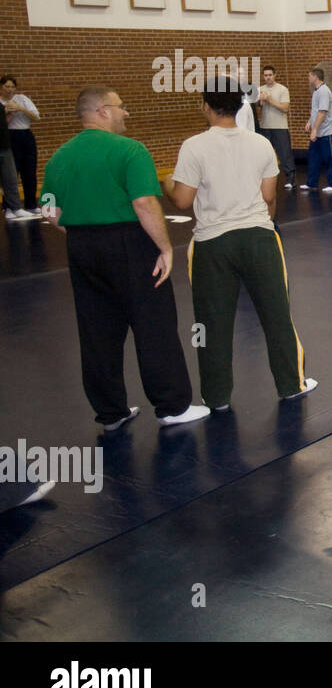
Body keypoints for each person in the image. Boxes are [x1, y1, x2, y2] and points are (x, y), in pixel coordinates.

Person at [39, 86, 209, 431]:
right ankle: (172, 407)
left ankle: (111, 412)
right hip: (129, 244)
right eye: (121, 107)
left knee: (96, 329)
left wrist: (82, 233)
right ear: (102, 111)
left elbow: (48, 210)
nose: (126, 113)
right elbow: (145, 204)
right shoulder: (130, 150)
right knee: (154, 323)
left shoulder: (59, 155)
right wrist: (164, 248)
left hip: (82, 247)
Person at [163, 76, 316, 410]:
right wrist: (264, 227)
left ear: (205, 106)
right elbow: (269, 197)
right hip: (259, 237)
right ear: (240, 105)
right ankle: (291, 385)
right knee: (276, 314)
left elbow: (181, 201)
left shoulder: (194, 146)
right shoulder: (261, 143)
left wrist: (165, 183)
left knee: (212, 322)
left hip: (213, 244)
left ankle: (216, 398)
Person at [2, 75, 42, 212]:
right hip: (9, 137)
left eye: (12, 87)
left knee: (29, 171)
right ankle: (10, 206)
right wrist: (6, 113)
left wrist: (20, 108)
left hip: (26, 135)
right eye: (7, 86)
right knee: (11, 173)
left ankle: (31, 204)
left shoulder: (22, 99)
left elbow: (36, 117)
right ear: (1, 87)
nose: (9, 90)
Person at [302, 68, 332, 193]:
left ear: (315, 77)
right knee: (314, 157)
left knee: (329, 157)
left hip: (327, 131)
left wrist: (315, 129)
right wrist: (309, 122)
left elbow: (323, 112)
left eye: (309, 76)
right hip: (318, 131)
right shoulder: (316, 91)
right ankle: (311, 182)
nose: (308, 79)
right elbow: (316, 111)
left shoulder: (324, 91)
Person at [258, 65, 295, 189]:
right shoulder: (260, 89)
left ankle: (290, 179)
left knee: (285, 153)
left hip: (280, 127)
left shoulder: (282, 89)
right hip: (265, 126)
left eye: (270, 75)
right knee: (264, 154)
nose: (267, 77)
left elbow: (285, 108)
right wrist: (260, 101)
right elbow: (258, 106)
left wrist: (270, 100)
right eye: (265, 75)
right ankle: (264, 178)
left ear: (275, 75)